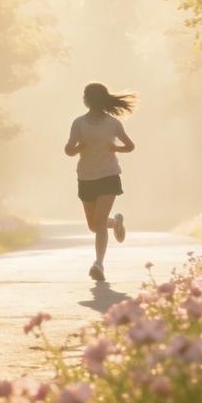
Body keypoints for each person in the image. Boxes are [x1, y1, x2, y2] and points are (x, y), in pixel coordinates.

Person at [64, 82, 136, 282]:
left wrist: (116, 149)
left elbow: (130, 146)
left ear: (88, 100)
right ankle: (116, 222)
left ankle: (99, 264)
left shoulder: (113, 123)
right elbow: (68, 150)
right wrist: (80, 147)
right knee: (95, 225)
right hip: (86, 176)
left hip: (109, 175)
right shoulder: (79, 123)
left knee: (99, 222)